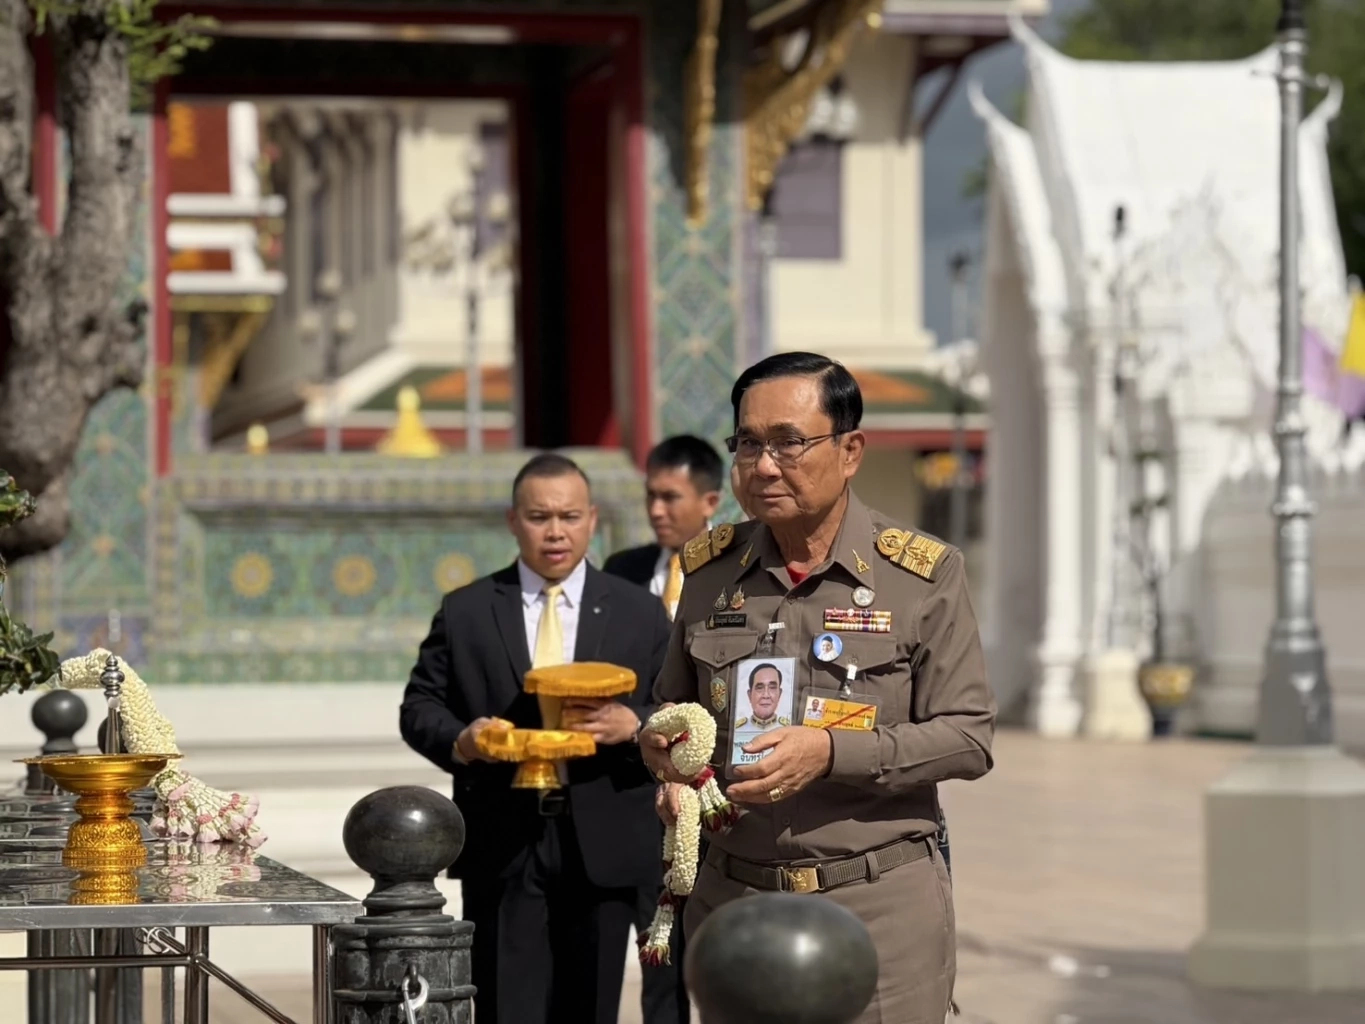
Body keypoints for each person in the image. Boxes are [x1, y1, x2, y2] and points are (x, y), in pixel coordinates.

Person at [642, 352, 996, 1024]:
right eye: (748, 444)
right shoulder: (710, 572)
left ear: (850, 450)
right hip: (733, 904)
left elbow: (967, 738)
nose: (765, 465)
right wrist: (667, 759)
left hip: (873, 904)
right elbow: (676, 707)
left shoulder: (920, 575)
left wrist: (829, 752)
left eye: (788, 443)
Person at [400, 453, 671, 1024]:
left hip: (605, 834)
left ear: (592, 520)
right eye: (539, 516)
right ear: (512, 520)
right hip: (504, 835)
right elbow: (420, 706)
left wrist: (635, 724)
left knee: (590, 1003)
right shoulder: (468, 609)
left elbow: (679, 707)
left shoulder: (638, 612)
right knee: (504, 1001)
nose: (555, 532)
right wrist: (464, 739)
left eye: (569, 516)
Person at [603, 434, 722, 1024]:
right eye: (650, 496)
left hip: (714, 796)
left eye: (670, 497)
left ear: (709, 501)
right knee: (658, 954)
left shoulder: (733, 576)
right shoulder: (621, 574)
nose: (656, 510)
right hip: (638, 798)